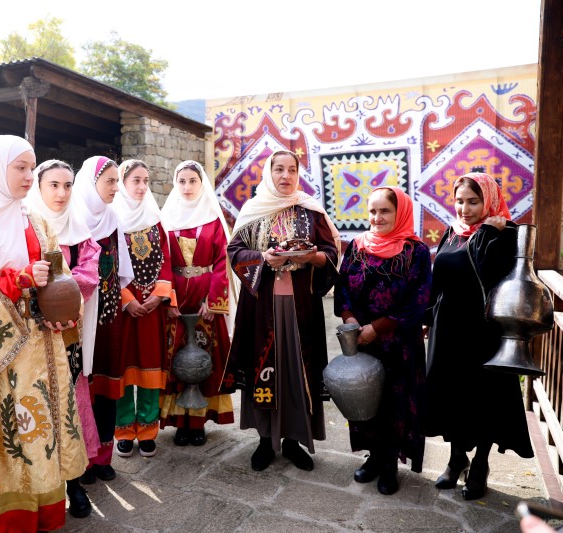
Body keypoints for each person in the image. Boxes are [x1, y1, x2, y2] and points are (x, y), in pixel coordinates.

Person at [0, 136, 87, 532]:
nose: (29, 176)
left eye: (32, 167)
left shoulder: (35, 218)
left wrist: (63, 313)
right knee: (18, 434)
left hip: (44, 345)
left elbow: (57, 274)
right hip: (4, 358)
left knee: (45, 436)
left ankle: (46, 513)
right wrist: (17, 281)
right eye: (21, 168)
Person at [225, 150, 339, 472]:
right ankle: (265, 440)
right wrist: (263, 258)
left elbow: (330, 251)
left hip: (301, 309)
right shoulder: (253, 210)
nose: (286, 176)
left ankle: (292, 440)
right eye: (279, 169)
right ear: (269, 172)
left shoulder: (310, 210)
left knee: (295, 369)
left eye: (292, 170)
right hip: (262, 307)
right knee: (265, 366)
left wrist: (312, 257)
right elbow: (234, 251)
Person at [425, 171, 533, 500]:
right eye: (459, 201)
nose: (464, 209)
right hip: (448, 331)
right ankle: (457, 458)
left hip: (483, 332)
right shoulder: (452, 232)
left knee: (484, 399)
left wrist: (486, 230)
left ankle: (481, 465)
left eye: (473, 201)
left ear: (488, 200)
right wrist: (427, 318)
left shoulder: (504, 233)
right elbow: (439, 278)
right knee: (453, 394)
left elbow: (485, 273)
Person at [334, 186, 431, 495]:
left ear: (399, 212)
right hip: (362, 340)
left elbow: (419, 301)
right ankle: (374, 457)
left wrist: (378, 327)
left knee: (394, 403)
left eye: (385, 211)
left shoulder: (415, 252)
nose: (377, 217)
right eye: (372, 211)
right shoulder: (357, 246)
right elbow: (343, 287)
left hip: (399, 343)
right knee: (364, 398)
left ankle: (390, 464)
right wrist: (350, 319)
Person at [24, 158, 100, 518]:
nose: (61, 193)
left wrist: (62, 298)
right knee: (41, 404)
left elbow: (88, 273)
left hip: (69, 328)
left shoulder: (80, 230)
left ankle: (75, 482)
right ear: (39, 187)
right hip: (31, 334)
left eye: (68, 185)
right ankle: (46, 485)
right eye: (53, 184)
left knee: (69, 401)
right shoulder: (28, 227)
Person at [159, 160, 235, 446]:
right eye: (182, 181)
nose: (187, 187)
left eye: (193, 181)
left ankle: (199, 420)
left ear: (202, 183)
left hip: (204, 299)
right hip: (177, 296)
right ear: (175, 184)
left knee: (205, 354)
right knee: (174, 356)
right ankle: (179, 421)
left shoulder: (213, 220)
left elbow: (221, 262)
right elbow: (163, 261)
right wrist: (169, 299)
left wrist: (213, 301)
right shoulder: (165, 220)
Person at [70, 155, 133, 483]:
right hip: (79, 322)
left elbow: (123, 274)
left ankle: (104, 457)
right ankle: (82, 461)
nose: (115, 188)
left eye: (116, 181)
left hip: (108, 320)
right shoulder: (72, 222)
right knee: (83, 390)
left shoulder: (113, 219)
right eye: (109, 181)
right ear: (91, 182)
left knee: (107, 390)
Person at [112, 159, 176, 459]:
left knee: (151, 366)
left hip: (152, 307)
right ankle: (124, 429)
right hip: (125, 308)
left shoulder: (155, 219)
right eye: (135, 180)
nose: (141, 186)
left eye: (145, 181)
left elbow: (166, 259)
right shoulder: (112, 219)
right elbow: (108, 262)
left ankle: (148, 428)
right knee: (124, 366)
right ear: (123, 182)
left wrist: (160, 295)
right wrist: (127, 298)